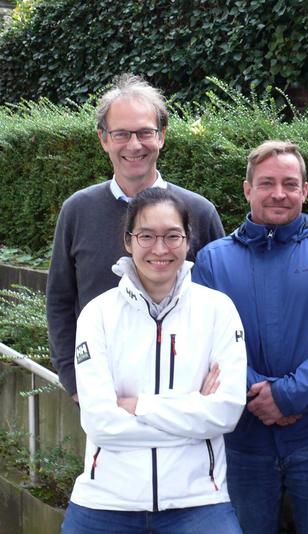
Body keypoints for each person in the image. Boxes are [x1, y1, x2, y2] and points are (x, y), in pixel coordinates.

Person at [193, 141, 308, 534]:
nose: (278, 193)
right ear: (247, 189)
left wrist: (288, 395)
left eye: (290, 184)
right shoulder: (212, 260)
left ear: (305, 191)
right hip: (242, 441)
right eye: (266, 182)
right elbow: (201, 343)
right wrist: (258, 393)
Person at [61, 188, 246, 534]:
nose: (160, 249)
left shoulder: (218, 310)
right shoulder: (97, 314)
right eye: (146, 235)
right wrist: (193, 408)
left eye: (172, 235)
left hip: (198, 502)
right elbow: (101, 423)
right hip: (105, 501)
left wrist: (137, 405)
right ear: (128, 241)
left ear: (188, 240)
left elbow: (225, 412)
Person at [47, 73, 224, 403]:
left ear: (162, 136)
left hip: (186, 401)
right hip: (104, 397)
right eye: (121, 134)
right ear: (104, 139)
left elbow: (222, 305)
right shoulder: (77, 211)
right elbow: (60, 301)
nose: (134, 145)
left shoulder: (198, 212)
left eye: (145, 132)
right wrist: (74, 383)